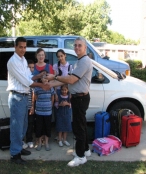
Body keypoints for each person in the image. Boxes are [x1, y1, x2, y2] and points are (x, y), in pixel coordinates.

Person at [45, 36, 93, 167]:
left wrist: (54, 76)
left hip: (80, 98)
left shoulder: (84, 61)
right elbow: (67, 79)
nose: (77, 47)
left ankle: (80, 156)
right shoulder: (79, 61)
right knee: (81, 125)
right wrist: (51, 84)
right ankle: (86, 150)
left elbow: (71, 80)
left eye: (79, 45)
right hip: (79, 97)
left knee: (78, 128)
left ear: (85, 47)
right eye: (75, 45)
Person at [7, 37, 48, 165]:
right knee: (17, 127)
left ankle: (19, 148)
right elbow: (26, 82)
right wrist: (42, 85)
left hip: (24, 97)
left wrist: (39, 76)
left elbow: (29, 76)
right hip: (17, 97)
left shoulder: (23, 59)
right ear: (15, 47)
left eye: (25, 47)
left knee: (24, 125)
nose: (23, 49)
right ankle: (15, 155)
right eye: (21, 47)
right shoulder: (13, 61)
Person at [53, 49, 72, 142]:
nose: (60, 58)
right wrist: (55, 93)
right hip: (59, 92)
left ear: (65, 55)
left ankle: (64, 137)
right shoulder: (56, 66)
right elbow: (54, 80)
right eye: (58, 56)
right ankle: (59, 136)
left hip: (67, 91)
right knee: (58, 114)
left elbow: (71, 81)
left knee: (66, 114)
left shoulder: (70, 67)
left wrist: (70, 93)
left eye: (62, 56)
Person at [34, 70, 55, 151]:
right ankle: (39, 143)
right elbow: (35, 97)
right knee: (39, 127)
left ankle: (46, 143)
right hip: (39, 111)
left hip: (48, 111)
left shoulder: (50, 87)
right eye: (43, 78)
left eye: (47, 77)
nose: (45, 79)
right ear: (40, 79)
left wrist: (51, 104)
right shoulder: (37, 87)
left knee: (47, 127)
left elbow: (52, 97)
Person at [25, 60, 35, 148]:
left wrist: (32, 106)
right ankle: (22, 140)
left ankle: (29, 139)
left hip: (29, 106)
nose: (31, 69)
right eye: (29, 67)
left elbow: (33, 94)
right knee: (22, 123)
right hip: (22, 105)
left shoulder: (33, 79)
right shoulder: (24, 77)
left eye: (33, 67)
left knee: (30, 123)